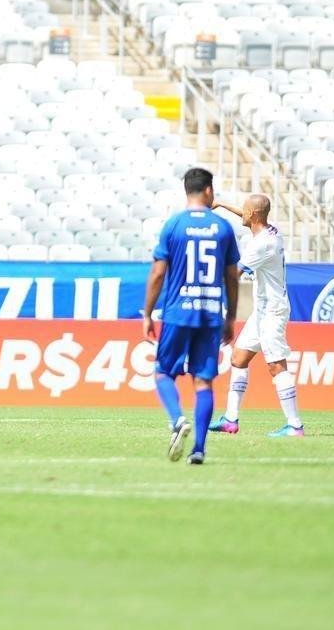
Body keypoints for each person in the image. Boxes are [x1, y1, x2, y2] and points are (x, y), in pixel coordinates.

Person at [142, 168, 240, 465]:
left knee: (163, 372)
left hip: (177, 311)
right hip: (210, 313)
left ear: (188, 191)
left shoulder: (174, 225)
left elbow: (159, 272)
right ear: (208, 191)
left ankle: (176, 421)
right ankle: (198, 448)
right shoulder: (223, 227)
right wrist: (231, 316)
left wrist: (147, 313)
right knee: (203, 382)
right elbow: (232, 276)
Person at [209, 195, 303, 437]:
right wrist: (220, 203)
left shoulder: (260, 245)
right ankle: (230, 419)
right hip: (262, 311)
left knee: (276, 366)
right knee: (238, 359)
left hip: (273, 310)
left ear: (252, 216)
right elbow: (247, 214)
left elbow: (234, 276)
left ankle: (294, 425)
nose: (242, 213)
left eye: (245, 211)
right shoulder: (272, 230)